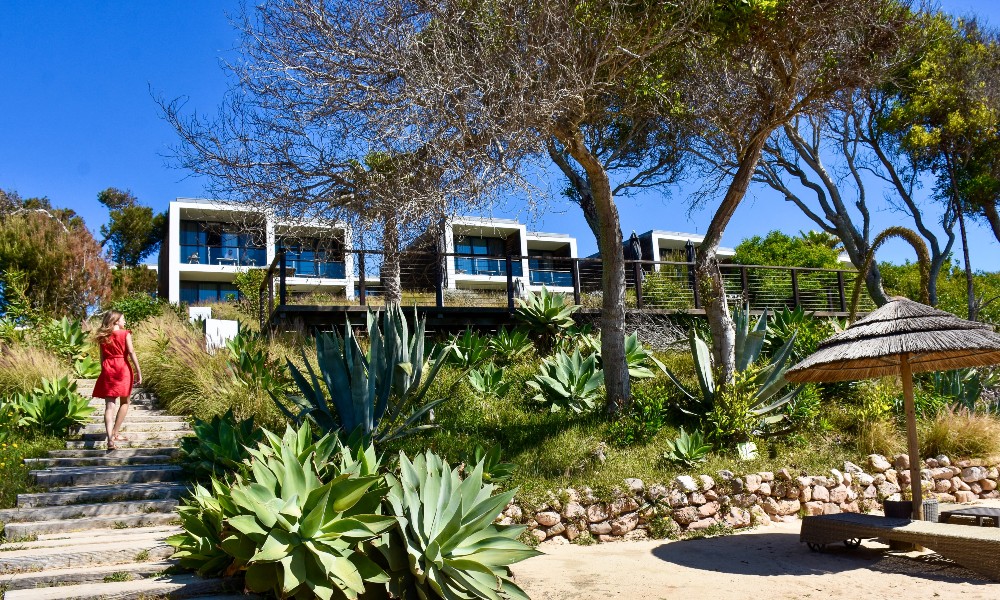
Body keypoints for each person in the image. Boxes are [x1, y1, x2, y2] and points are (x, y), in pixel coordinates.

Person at [92, 311, 142, 450]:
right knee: (125, 402)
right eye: (123, 319)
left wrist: (104, 371)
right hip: (122, 368)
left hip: (108, 368)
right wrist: (138, 370)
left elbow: (101, 358)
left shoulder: (103, 336)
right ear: (116, 321)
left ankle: (109, 439)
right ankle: (115, 432)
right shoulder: (125, 334)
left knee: (109, 406)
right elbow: (131, 352)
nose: (124, 322)